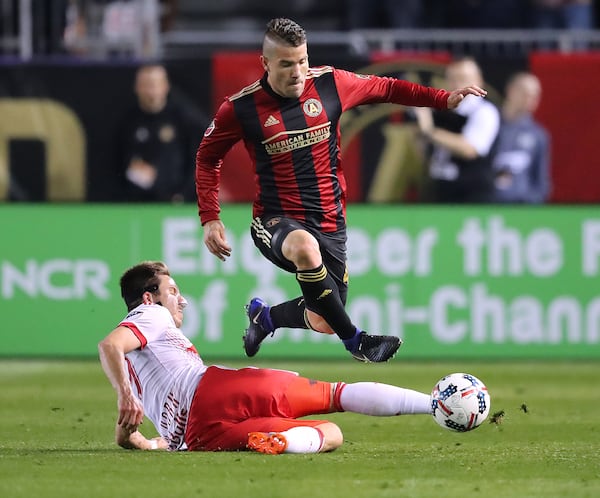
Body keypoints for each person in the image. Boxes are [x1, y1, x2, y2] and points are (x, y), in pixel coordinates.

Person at [195, 18, 488, 363]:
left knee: (323, 319)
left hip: (331, 219)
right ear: (266, 63)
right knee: (304, 248)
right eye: (287, 63)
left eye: (302, 61)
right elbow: (207, 157)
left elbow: (387, 88)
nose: (297, 72)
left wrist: (443, 99)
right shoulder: (240, 108)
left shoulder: (332, 83)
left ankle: (266, 317)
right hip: (276, 219)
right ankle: (358, 342)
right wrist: (210, 217)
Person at [98, 260, 435, 454]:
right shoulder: (149, 314)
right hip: (214, 391)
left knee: (330, 433)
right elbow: (109, 345)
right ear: (148, 297)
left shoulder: (138, 365)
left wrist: (149, 443)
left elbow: (125, 435)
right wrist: (125, 396)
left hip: (198, 437)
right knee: (335, 395)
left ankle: (282, 442)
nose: (181, 300)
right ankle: (435, 405)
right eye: (172, 291)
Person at [414, 57, 500, 203]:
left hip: (471, 196)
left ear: (478, 80)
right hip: (440, 191)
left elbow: (469, 149)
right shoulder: (442, 112)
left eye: (463, 78)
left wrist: (430, 131)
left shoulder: (484, 111)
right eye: (452, 79)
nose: (458, 84)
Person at [117, 64, 207, 202]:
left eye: (155, 85)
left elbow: (198, 160)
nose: (151, 91)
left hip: (177, 202)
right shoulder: (127, 121)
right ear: (137, 87)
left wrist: (183, 194)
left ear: (165, 86)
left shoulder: (183, 119)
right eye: (146, 85)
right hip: (136, 204)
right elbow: (117, 162)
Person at [491, 72, 551, 204]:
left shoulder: (538, 134)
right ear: (511, 91)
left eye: (535, 95)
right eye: (526, 93)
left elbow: (541, 178)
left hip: (522, 208)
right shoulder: (488, 124)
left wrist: (533, 201)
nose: (531, 99)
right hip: (485, 206)